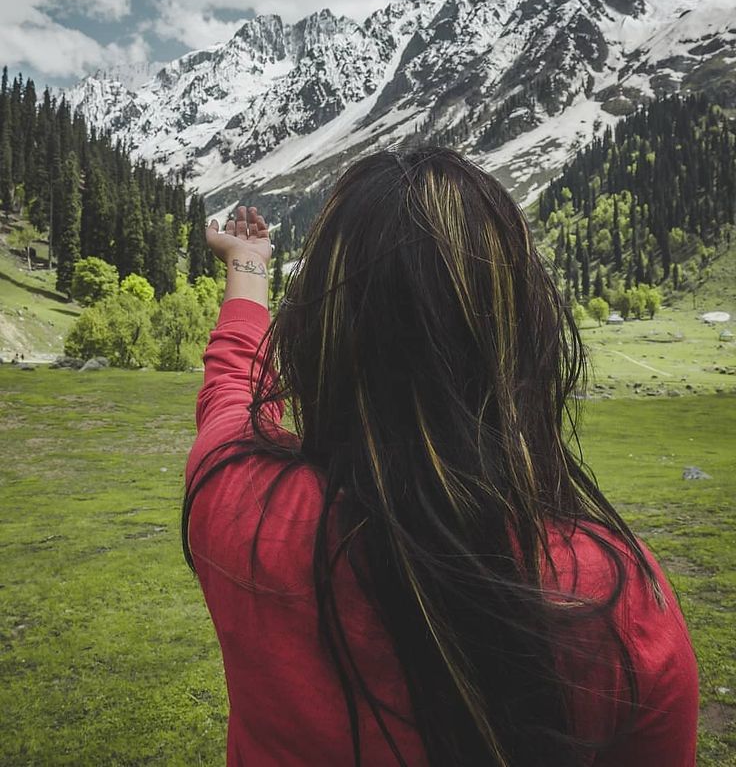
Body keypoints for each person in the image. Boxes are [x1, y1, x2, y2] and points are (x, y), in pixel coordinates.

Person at [183, 146, 698, 767]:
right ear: (525, 342)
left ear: (319, 339)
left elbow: (232, 391)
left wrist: (247, 267)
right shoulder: (615, 601)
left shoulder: (236, 505)